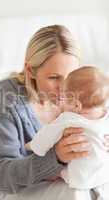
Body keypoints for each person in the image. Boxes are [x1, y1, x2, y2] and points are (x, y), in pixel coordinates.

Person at [0, 25, 109, 200]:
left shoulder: (85, 88)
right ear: (30, 71)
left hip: (78, 178)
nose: (65, 88)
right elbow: (0, 175)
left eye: (71, 75)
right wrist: (56, 158)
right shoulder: (8, 95)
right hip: (22, 188)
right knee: (77, 193)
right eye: (54, 77)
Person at [25, 66, 109, 199]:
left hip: (81, 177)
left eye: (65, 97)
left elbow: (46, 136)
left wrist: (32, 146)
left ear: (77, 105)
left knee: (62, 174)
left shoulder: (68, 119)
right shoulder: (105, 115)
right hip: (104, 173)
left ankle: (62, 175)